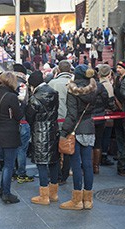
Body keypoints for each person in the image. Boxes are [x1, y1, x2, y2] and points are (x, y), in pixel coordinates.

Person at [60, 65, 97, 210]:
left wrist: (64, 133)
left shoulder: (72, 91)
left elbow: (71, 115)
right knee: (87, 164)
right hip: (89, 128)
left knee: (76, 165)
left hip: (75, 130)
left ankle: (77, 201)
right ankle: (88, 200)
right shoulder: (94, 89)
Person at [25, 71, 60, 205]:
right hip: (53, 129)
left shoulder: (35, 98)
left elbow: (29, 116)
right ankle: (54, 193)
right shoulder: (54, 92)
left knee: (41, 163)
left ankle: (44, 196)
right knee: (53, 161)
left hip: (40, 131)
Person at [0, 72, 25, 204]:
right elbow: (18, 115)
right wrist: (22, 104)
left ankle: (3, 189)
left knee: (5, 163)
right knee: (9, 165)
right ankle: (6, 192)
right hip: (10, 132)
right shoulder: (11, 97)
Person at [48, 60, 73, 184]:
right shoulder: (73, 83)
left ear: (58, 70)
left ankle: (57, 174)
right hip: (71, 120)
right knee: (67, 148)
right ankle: (65, 174)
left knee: (56, 149)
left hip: (56, 119)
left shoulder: (52, 83)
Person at [13, 63, 34, 184]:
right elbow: (24, 101)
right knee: (21, 149)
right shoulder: (22, 85)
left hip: (9, 122)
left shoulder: (6, 82)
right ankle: (21, 173)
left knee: (11, 148)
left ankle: (12, 172)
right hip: (22, 120)